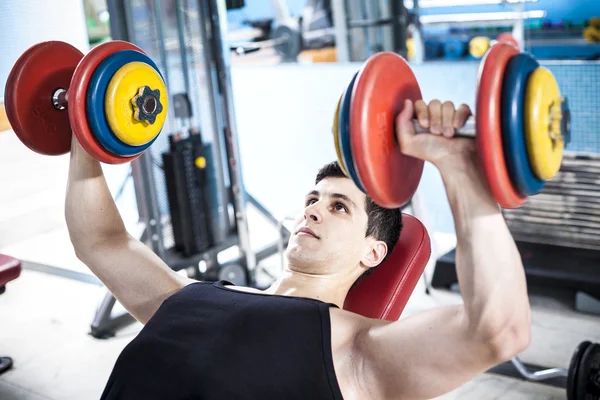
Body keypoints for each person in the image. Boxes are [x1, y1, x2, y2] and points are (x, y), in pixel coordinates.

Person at [65, 99, 531, 399]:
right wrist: (83, 126)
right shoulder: (184, 296)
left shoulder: (355, 349)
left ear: (373, 253)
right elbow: (100, 241)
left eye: (339, 207)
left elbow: (498, 331)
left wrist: (459, 169)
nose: (312, 211)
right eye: (312, 199)